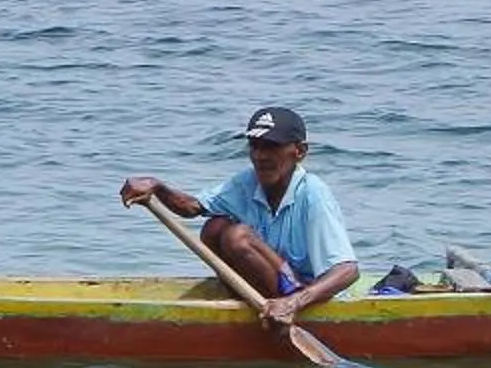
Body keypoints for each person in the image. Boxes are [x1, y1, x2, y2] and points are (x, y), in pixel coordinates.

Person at [119, 106, 358, 330]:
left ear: (300, 152)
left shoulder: (313, 194)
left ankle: (275, 307)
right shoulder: (246, 182)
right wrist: (156, 187)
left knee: (237, 236)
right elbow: (192, 207)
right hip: (269, 290)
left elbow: (348, 271)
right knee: (215, 227)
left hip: (303, 294)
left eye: (271, 147)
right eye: (255, 146)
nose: (260, 156)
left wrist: (294, 303)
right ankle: (246, 299)